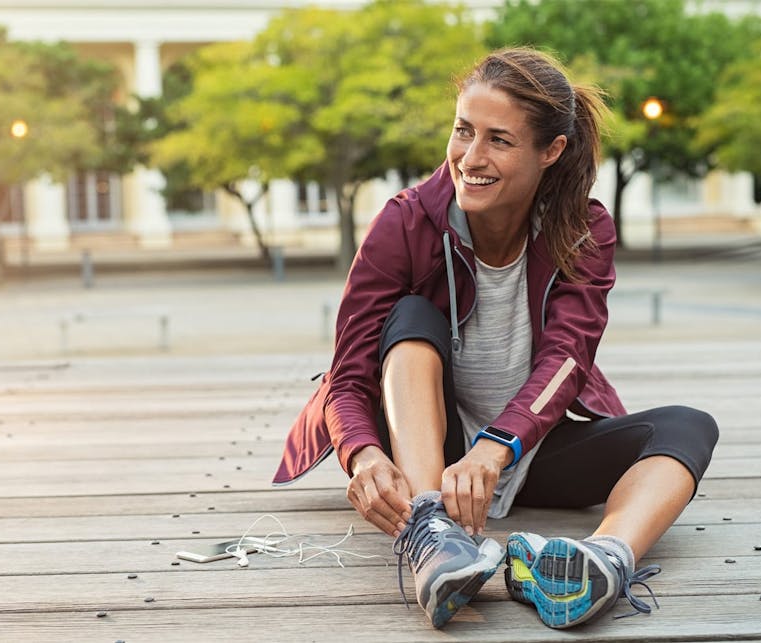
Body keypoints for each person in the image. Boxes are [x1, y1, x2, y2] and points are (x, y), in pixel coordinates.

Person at [273, 46, 718, 630]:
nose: (470, 157)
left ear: (550, 151)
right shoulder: (404, 223)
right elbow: (349, 374)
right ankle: (432, 536)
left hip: (524, 449)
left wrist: (498, 445)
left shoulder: (584, 230)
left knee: (688, 426)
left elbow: (568, 358)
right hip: (429, 456)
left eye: (499, 140)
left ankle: (604, 560)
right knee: (409, 317)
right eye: (463, 131)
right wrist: (363, 453)